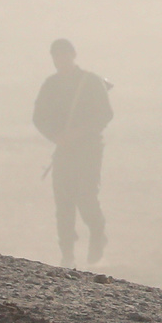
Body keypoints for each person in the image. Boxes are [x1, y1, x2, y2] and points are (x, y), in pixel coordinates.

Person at [32, 39, 113, 267]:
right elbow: (39, 117)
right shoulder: (51, 85)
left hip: (88, 150)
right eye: (56, 56)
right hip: (64, 151)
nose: (61, 60)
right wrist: (55, 137)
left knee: (86, 197)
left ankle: (97, 235)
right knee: (64, 203)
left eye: (64, 55)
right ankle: (67, 256)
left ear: (73, 55)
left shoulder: (90, 82)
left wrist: (80, 132)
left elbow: (105, 114)